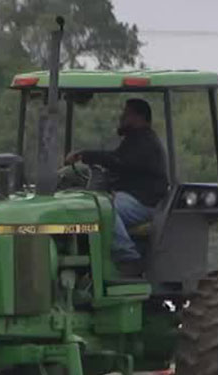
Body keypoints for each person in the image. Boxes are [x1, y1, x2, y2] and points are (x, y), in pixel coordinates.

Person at [66, 98, 169, 277]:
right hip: (133, 197)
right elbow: (118, 161)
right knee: (97, 204)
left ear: (139, 117)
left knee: (102, 210)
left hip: (145, 202)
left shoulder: (146, 142)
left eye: (126, 114)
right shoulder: (134, 140)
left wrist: (86, 155)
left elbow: (119, 161)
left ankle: (128, 257)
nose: (122, 117)